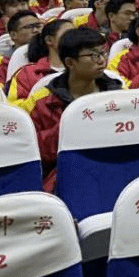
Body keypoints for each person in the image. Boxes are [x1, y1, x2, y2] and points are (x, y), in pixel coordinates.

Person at [27, 28, 124, 190]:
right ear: (70, 62)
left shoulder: (118, 95)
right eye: (93, 55)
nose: (102, 60)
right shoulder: (42, 102)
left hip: (115, 168)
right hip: (68, 177)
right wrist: (71, 126)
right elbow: (34, 154)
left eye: (103, 53)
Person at [9, 18, 73, 105]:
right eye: (68, 34)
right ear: (49, 40)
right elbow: (15, 107)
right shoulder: (27, 73)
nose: (75, 38)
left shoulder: (85, 67)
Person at [0, 10, 43, 86]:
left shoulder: (51, 55)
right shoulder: (1, 64)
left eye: (38, 26)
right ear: (13, 35)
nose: (36, 30)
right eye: (29, 27)